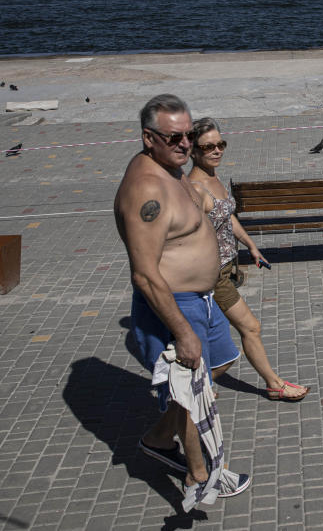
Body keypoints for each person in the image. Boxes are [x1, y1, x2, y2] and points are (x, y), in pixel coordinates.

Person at [114, 94, 250, 498]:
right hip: (175, 305)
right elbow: (145, 274)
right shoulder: (146, 190)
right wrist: (182, 331)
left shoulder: (172, 170)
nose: (184, 145)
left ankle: (157, 437)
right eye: (173, 138)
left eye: (188, 135)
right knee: (194, 394)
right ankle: (198, 474)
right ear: (148, 137)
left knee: (221, 362)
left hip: (204, 299)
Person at [188, 117, 310, 401]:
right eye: (208, 147)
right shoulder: (195, 188)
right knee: (251, 327)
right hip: (213, 276)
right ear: (193, 150)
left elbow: (228, 217)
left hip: (228, 268)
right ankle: (273, 385)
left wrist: (251, 245)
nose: (217, 151)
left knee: (214, 340)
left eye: (221, 144)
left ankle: (195, 388)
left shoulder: (213, 177)